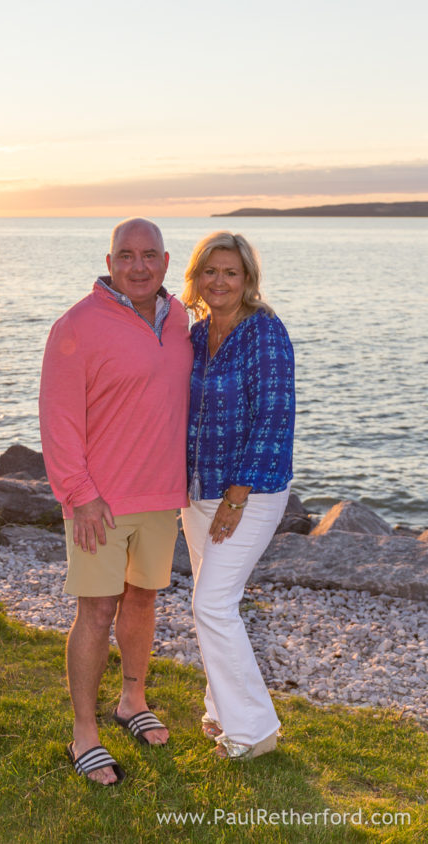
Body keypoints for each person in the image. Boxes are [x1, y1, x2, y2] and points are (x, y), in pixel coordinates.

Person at [39, 217, 192, 785]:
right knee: (97, 611)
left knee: (143, 602)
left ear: (167, 261)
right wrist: (78, 495)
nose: (138, 265)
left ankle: (132, 699)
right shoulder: (76, 326)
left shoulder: (181, 319)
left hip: (162, 496)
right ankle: (85, 732)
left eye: (149, 254)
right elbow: (57, 420)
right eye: (126, 255)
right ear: (109, 262)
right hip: (99, 502)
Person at [181, 231, 295, 760]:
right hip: (197, 490)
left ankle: (254, 731)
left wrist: (236, 497)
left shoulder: (265, 332)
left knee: (212, 605)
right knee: (211, 603)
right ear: (196, 278)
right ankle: (219, 709)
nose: (220, 281)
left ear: (247, 278)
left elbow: (274, 418)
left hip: (248, 493)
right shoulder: (195, 334)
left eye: (230, 272)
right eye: (210, 271)